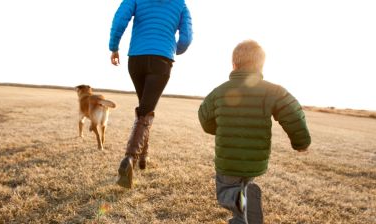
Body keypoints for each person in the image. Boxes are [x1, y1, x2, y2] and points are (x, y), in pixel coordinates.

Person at [198, 40, 311, 224]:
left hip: (228, 159)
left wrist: (221, 129)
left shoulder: (219, 92)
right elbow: (293, 113)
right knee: (245, 193)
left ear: (234, 64)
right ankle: (241, 219)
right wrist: (301, 142)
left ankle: (241, 204)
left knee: (227, 192)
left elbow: (205, 120)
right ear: (261, 65)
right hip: (255, 161)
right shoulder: (273, 91)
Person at [109, 0, 193, 188]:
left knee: (145, 108)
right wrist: (172, 47)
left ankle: (142, 158)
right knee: (146, 110)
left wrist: (114, 47)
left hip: (136, 59)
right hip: (161, 60)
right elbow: (186, 38)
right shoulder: (180, 4)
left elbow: (120, 19)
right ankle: (129, 158)